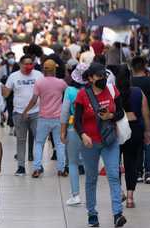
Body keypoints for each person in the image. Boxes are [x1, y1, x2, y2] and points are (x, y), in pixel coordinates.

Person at [74, 63, 126, 228]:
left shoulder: (112, 90)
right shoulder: (82, 95)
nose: (102, 79)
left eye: (104, 75)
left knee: (113, 175)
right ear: (90, 78)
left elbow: (120, 112)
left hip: (110, 140)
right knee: (91, 178)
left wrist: (111, 115)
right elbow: (76, 120)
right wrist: (82, 134)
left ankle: (117, 214)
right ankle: (92, 214)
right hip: (90, 142)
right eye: (98, 76)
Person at [115, 65, 150, 208]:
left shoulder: (112, 92)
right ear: (129, 77)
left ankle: (118, 192)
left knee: (114, 164)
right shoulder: (138, 92)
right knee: (131, 164)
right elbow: (146, 113)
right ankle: (130, 198)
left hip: (117, 130)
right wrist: (147, 131)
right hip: (134, 129)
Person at [23, 59, 68, 178]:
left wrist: (26, 110)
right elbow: (68, 95)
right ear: (54, 69)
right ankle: (61, 169)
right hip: (58, 118)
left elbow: (34, 100)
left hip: (43, 118)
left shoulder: (39, 83)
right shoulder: (61, 83)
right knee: (59, 144)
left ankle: (37, 169)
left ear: (44, 69)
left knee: (39, 143)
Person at [3, 55, 44, 176]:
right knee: (21, 140)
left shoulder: (38, 75)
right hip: (19, 113)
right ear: (20, 64)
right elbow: (6, 94)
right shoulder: (13, 76)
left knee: (39, 139)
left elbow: (44, 92)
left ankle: (38, 165)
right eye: (26, 64)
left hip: (36, 112)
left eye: (31, 63)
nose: (28, 66)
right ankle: (21, 166)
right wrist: (1, 87)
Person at [60, 62, 89, 206]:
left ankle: (75, 195)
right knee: (92, 163)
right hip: (92, 129)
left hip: (74, 129)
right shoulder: (92, 90)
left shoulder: (70, 91)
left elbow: (65, 113)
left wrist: (62, 131)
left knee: (72, 162)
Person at [131, 56, 150, 184]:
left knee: (137, 144)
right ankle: (148, 173)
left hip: (134, 117)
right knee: (149, 143)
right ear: (144, 67)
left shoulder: (130, 81)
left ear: (132, 67)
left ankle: (138, 172)